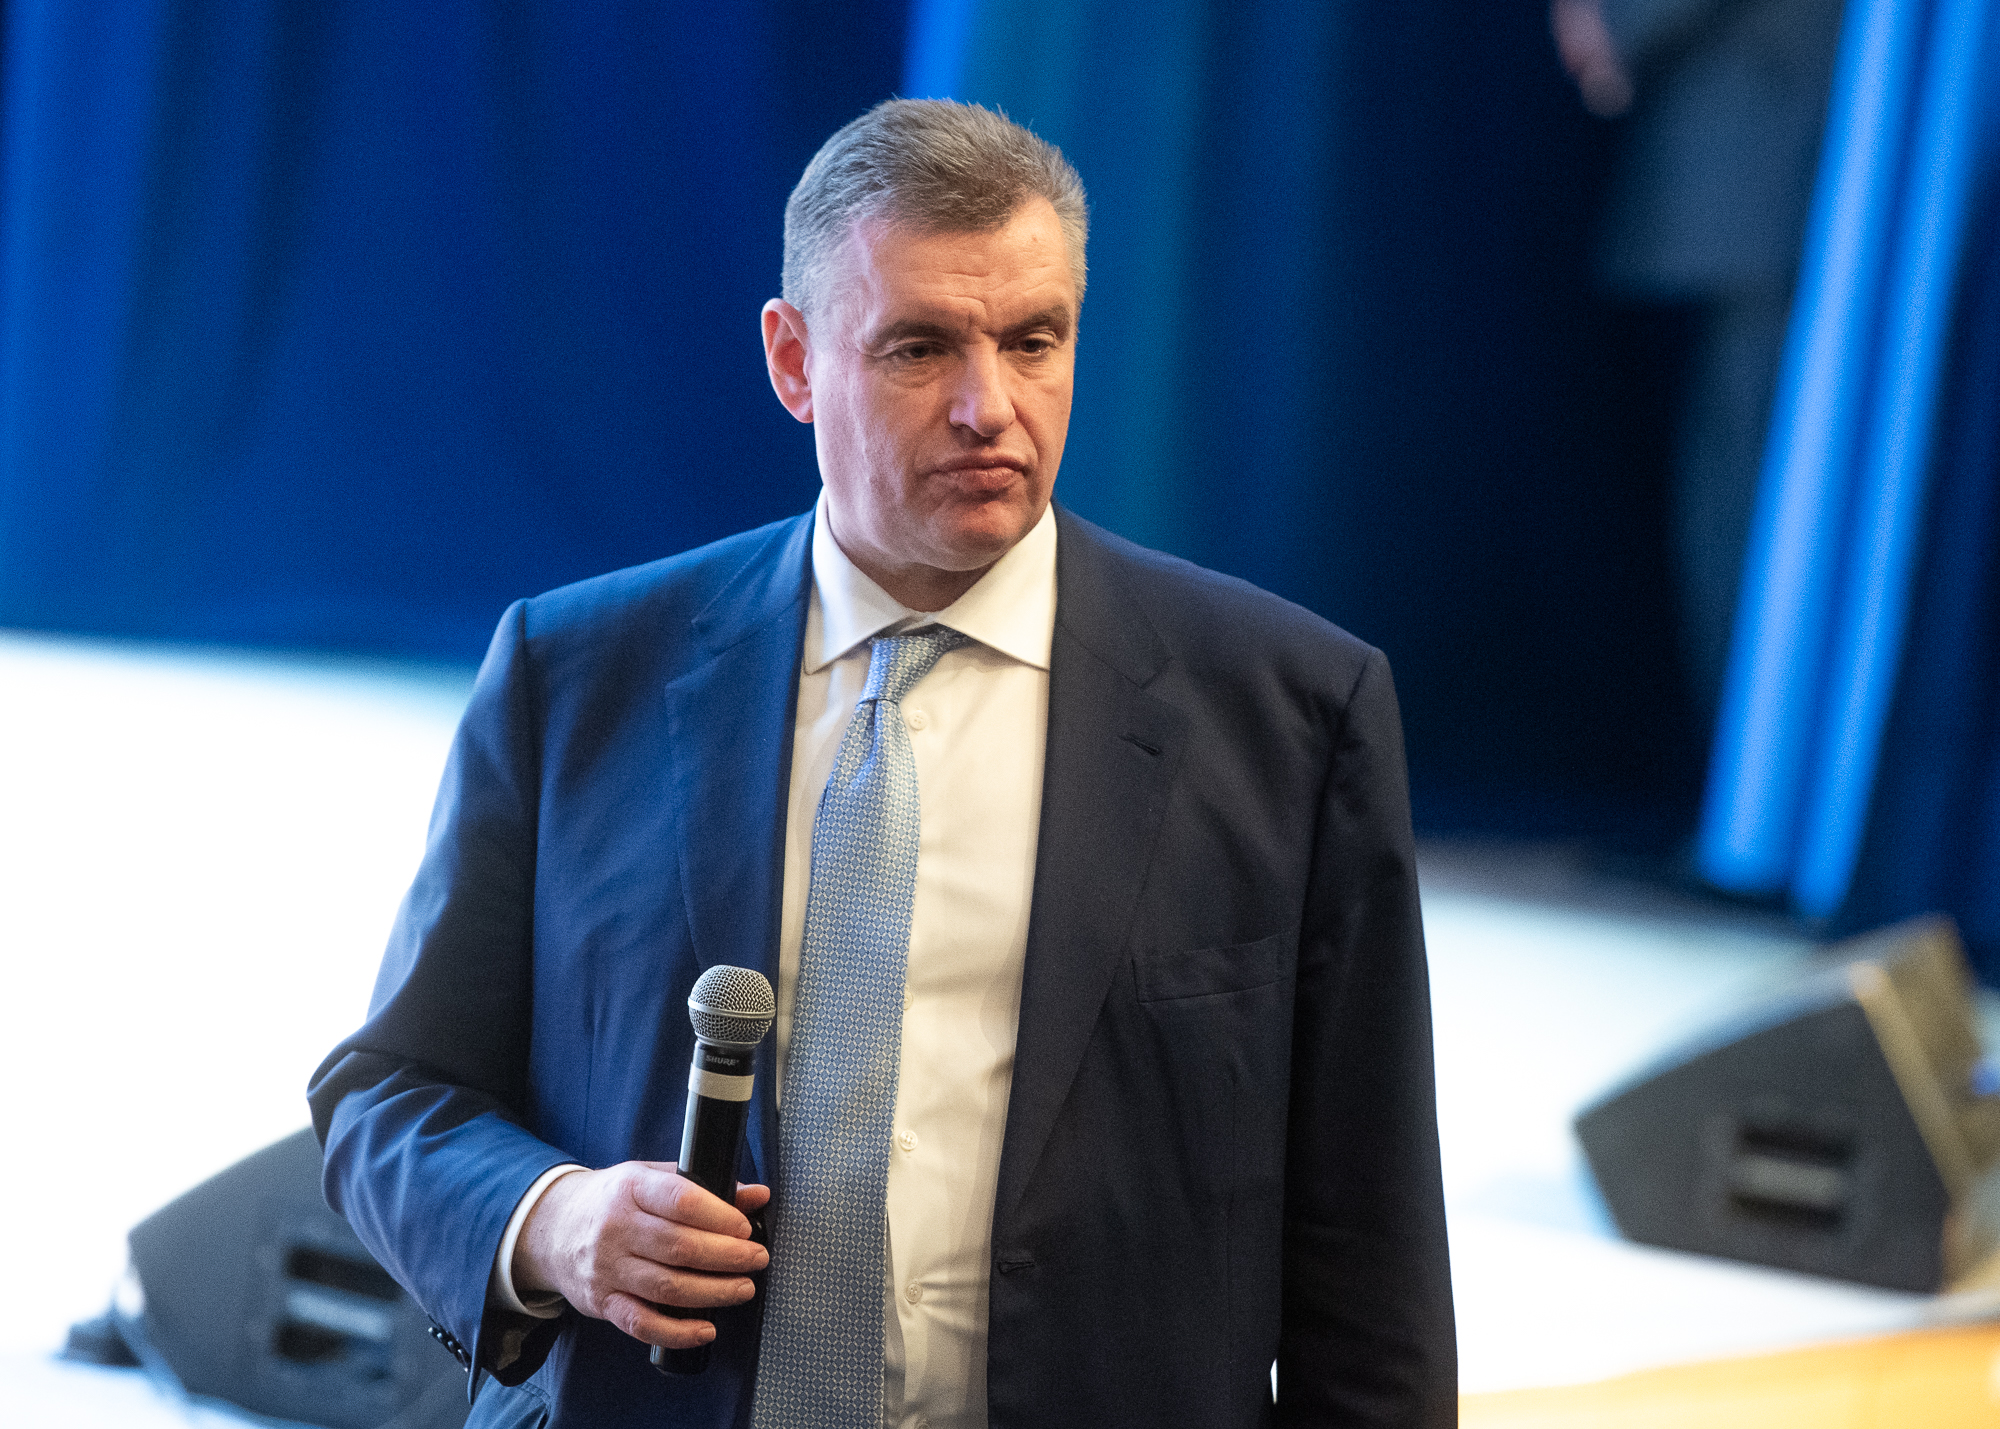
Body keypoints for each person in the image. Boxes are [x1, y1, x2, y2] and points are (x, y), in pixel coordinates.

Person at [310, 98, 1454, 1429]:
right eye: (920, 347)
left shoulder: (1288, 711)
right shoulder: (574, 676)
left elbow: (1371, 1247)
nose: (990, 407)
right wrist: (554, 1221)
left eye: (1035, 341)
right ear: (793, 361)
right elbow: (390, 1096)